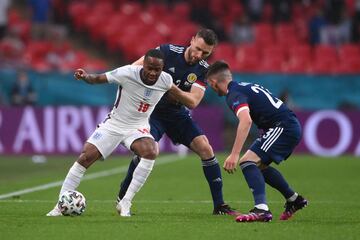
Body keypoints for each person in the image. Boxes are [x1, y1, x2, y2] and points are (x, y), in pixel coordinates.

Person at [46, 49, 194, 217]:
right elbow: (98, 78)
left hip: (138, 127)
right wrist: (85, 76)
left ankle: (125, 202)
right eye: (149, 68)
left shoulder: (166, 80)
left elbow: (180, 96)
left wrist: (192, 100)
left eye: (157, 69)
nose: (153, 72)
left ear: (162, 68)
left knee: (151, 151)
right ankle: (60, 205)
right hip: (115, 124)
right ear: (143, 64)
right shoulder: (127, 72)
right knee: (85, 157)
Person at [116, 29, 238, 216]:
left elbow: (193, 101)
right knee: (146, 151)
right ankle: (123, 197)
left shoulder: (204, 69)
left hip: (177, 114)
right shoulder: (166, 51)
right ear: (191, 40)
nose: (199, 55)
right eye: (197, 49)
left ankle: (219, 205)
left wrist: (169, 87)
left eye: (205, 53)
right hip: (152, 112)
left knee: (205, 148)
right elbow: (133, 68)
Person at [206, 61, 308, 222]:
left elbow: (245, 121)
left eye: (209, 84)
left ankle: (261, 209)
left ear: (213, 82)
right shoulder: (243, 86)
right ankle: (294, 199)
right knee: (259, 166)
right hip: (284, 125)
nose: (210, 87)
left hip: (283, 127)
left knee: (247, 162)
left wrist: (234, 154)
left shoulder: (234, 94)